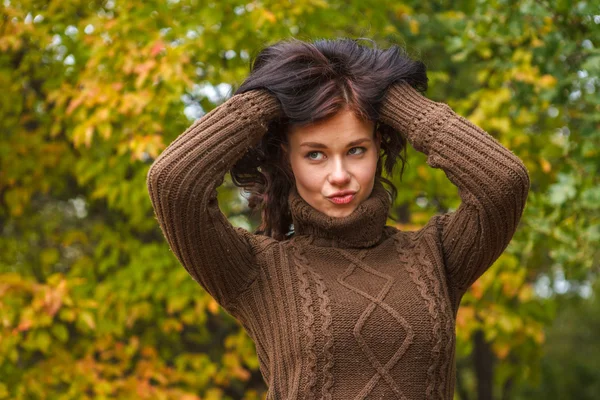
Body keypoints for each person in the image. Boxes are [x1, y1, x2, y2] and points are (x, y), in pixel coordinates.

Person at [146, 37, 530, 399]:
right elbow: (173, 182)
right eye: (315, 154)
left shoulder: (438, 255)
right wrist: (274, 93)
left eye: (356, 149)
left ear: (378, 146)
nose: (339, 174)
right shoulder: (256, 270)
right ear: (287, 159)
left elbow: (502, 182)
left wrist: (384, 92)